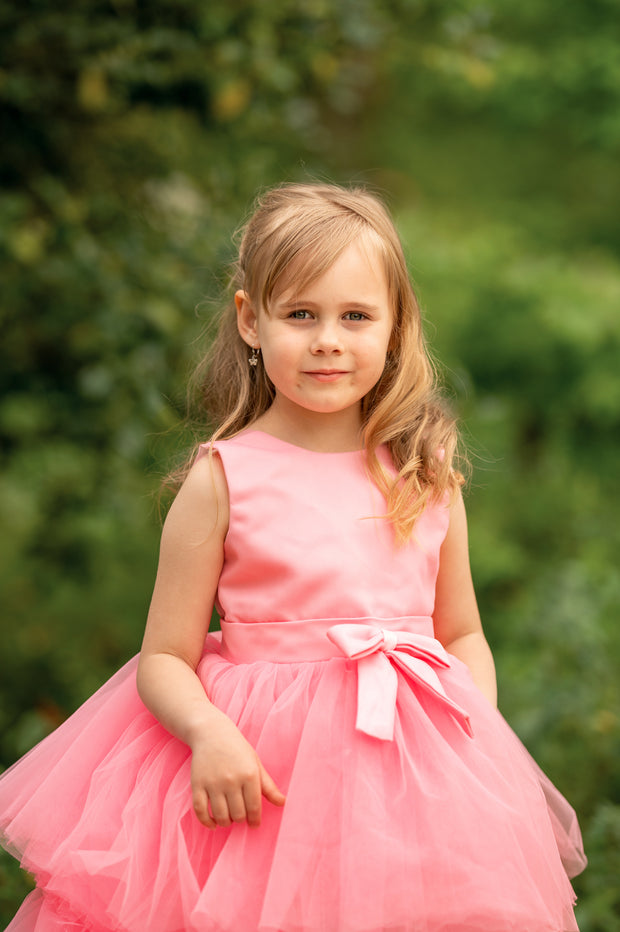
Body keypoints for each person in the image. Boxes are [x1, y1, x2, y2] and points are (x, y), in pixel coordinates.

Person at [0, 182, 586, 931]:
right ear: (252, 320)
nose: (328, 339)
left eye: (356, 316)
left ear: (396, 325)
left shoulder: (423, 472)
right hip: (256, 790)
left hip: (409, 794)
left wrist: (467, 747)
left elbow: (461, 631)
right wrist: (210, 735)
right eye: (301, 314)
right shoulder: (223, 479)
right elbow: (164, 659)